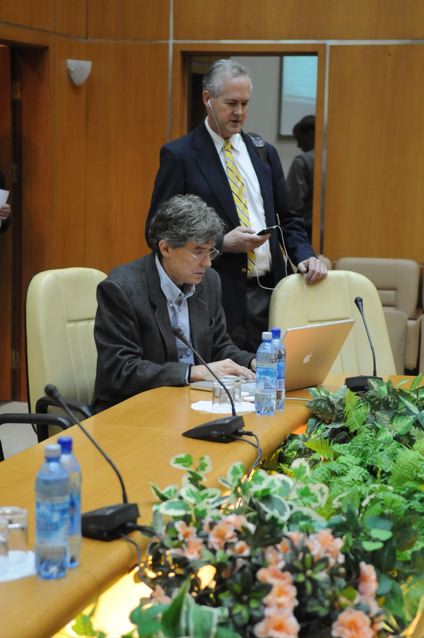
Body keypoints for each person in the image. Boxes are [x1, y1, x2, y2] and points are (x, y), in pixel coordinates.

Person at [146, 59, 327, 352]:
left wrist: (305, 255)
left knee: (271, 377)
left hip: (271, 293)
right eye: (231, 103)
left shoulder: (263, 152)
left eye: (245, 103)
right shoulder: (180, 156)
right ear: (208, 98)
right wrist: (221, 242)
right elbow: (157, 232)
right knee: (230, 381)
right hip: (213, 293)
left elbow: (289, 219)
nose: (239, 112)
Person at [92, 194, 255, 413]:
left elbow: (219, 347)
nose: (207, 263)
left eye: (210, 251)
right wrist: (191, 373)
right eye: (198, 251)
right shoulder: (121, 289)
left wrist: (253, 363)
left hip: (189, 403)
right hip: (133, 409)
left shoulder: (209, 281)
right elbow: (121, 370)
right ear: (166, 248)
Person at [286, 115, 315, 241]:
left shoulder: (301, 162)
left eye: (299, 139)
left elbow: (291, 204)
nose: (298, 145)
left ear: (311, 135)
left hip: (306, 232)